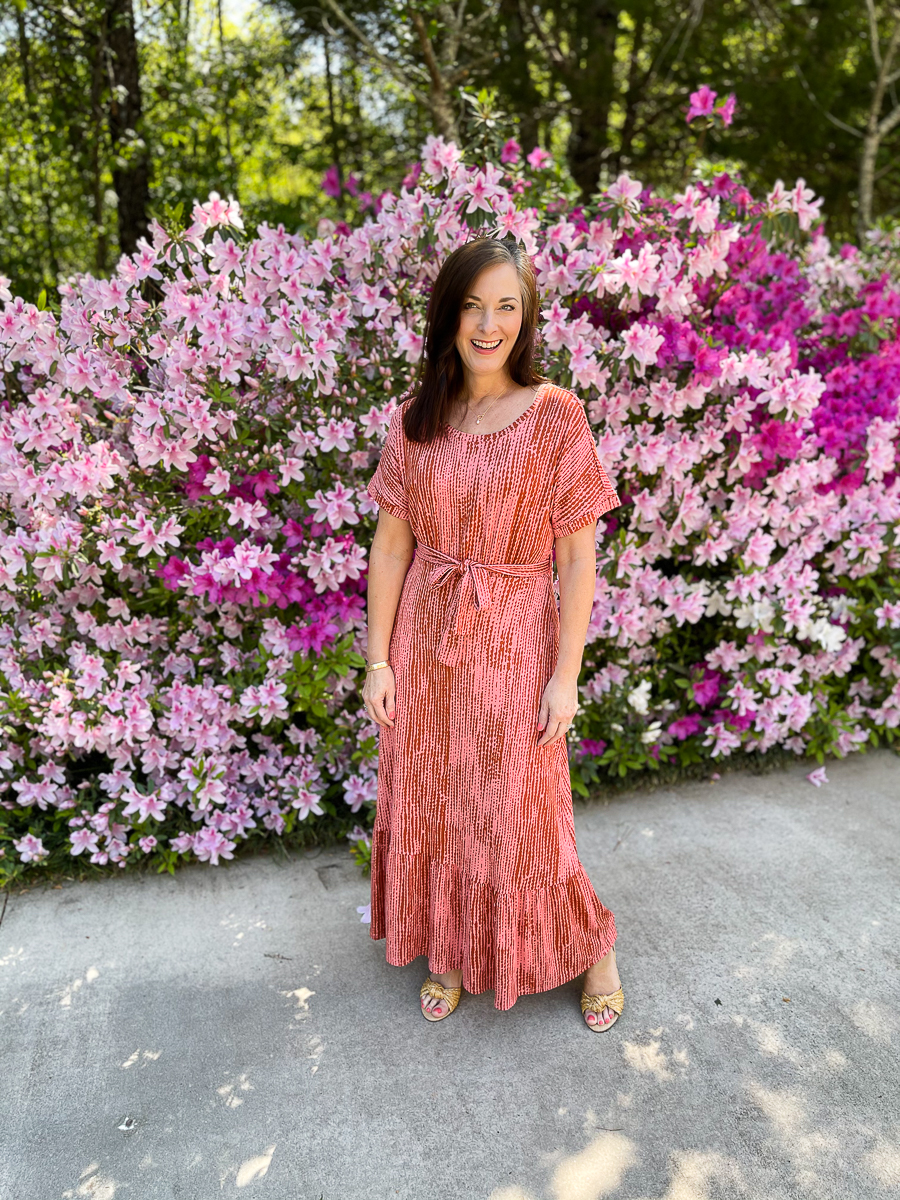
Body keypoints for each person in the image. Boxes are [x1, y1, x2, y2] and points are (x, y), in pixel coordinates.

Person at [362, 233, 624, 1031]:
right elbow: (391, 544)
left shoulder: (555, 417)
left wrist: (566, 676)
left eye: (506, 306)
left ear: (526, 317)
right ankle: (448, 950)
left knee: (523, 810)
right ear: (448, 314)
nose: (488, 324)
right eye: (473, 305)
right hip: (426, 642)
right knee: (435, 798)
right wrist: (377, 660)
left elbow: (578, 559)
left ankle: (594, 950)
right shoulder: (417, 419)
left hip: (515, 639)